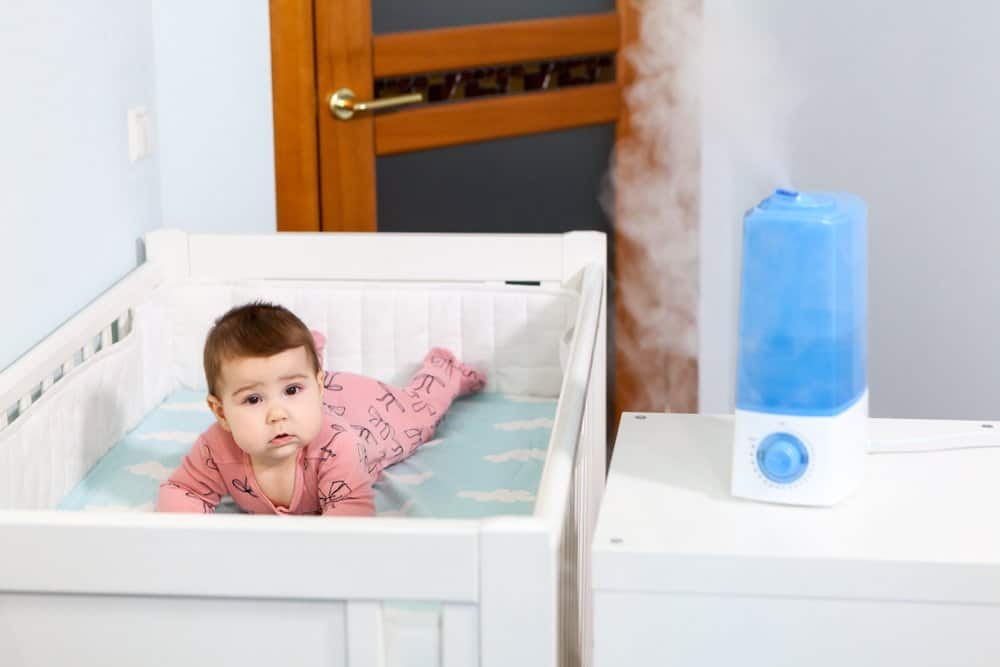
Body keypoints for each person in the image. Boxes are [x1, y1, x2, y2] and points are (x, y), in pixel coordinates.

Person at [157, 302, 485, 515]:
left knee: (419, 414)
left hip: (367, 416)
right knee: (287, 376)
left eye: (291, 390)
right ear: (221, 413)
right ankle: (303, 363)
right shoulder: (215, 449)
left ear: (317, 383)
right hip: (314, 400)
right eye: (253, 399)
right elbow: (183, 490)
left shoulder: (336, 449)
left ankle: (445, 372)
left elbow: (348, 519)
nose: (277, 414)